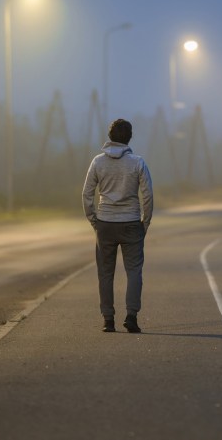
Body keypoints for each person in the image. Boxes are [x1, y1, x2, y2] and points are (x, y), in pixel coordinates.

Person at [82, 118, 154, 333]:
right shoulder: (138, 162)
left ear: (110, 137)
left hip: (105, 223)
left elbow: (87, 194)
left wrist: (94, 220)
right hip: (132, 223)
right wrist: (145, 223)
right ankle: (131, 317)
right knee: (134, 271)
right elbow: (148, 195)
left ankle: (108, 320)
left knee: (105, 273)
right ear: (129, 137)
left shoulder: (97, 162)